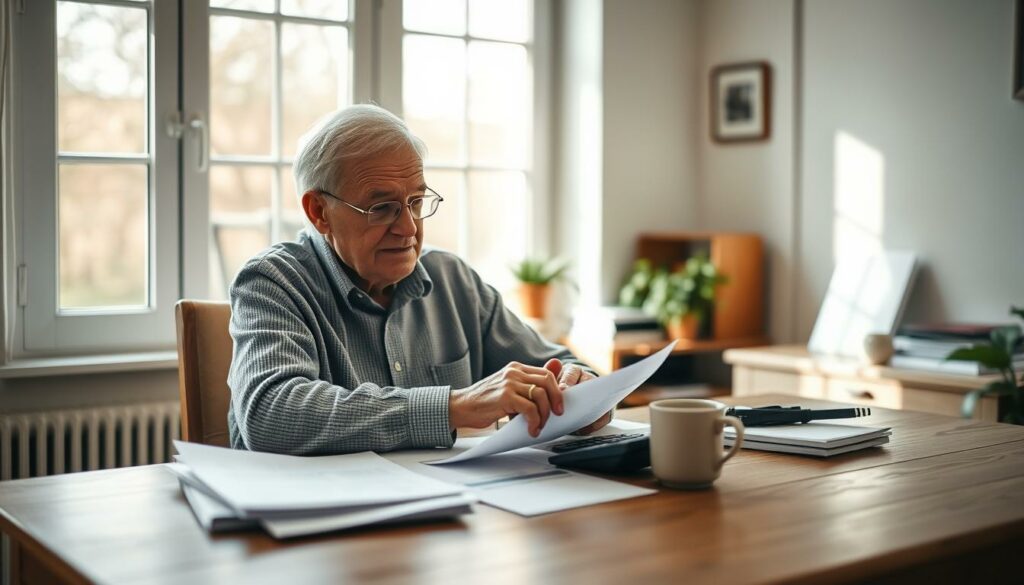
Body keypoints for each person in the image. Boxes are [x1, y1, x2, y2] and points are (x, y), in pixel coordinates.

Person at [227, 104, 610, 455]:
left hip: (451, 512)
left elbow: (557, 365)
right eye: (382, 208)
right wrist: (455, 406)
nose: (409, 227)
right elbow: (270, 412)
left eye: (415, 202)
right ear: (319, 212)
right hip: (315, 523)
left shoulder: (452, 279)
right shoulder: (271, 282)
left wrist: (581, 392)